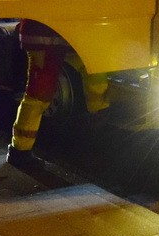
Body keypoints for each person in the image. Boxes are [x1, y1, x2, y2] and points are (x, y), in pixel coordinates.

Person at [6, 20, 109, 170]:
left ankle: (98, 118)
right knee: (39, 96)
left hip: (61, 36)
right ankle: (19, 150)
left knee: (95, 70)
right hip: (48, 37)